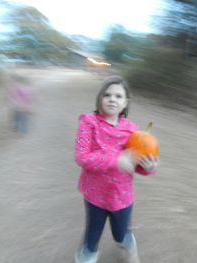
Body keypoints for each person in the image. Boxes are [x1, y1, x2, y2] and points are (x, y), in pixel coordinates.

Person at [74, 76, 159, 263]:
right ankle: (87, 256)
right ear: (100, 98)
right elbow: (82, 156)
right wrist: (116, 160)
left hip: (122, 195)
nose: (112, 99)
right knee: (92, 235)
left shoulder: (133, 131)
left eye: (118, 96)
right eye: (107, 95)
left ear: (125, 103)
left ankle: (128, 244)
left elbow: (135, 162)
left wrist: (149, 167)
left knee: (121, 234)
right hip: (95, 194)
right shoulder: (89, 122)